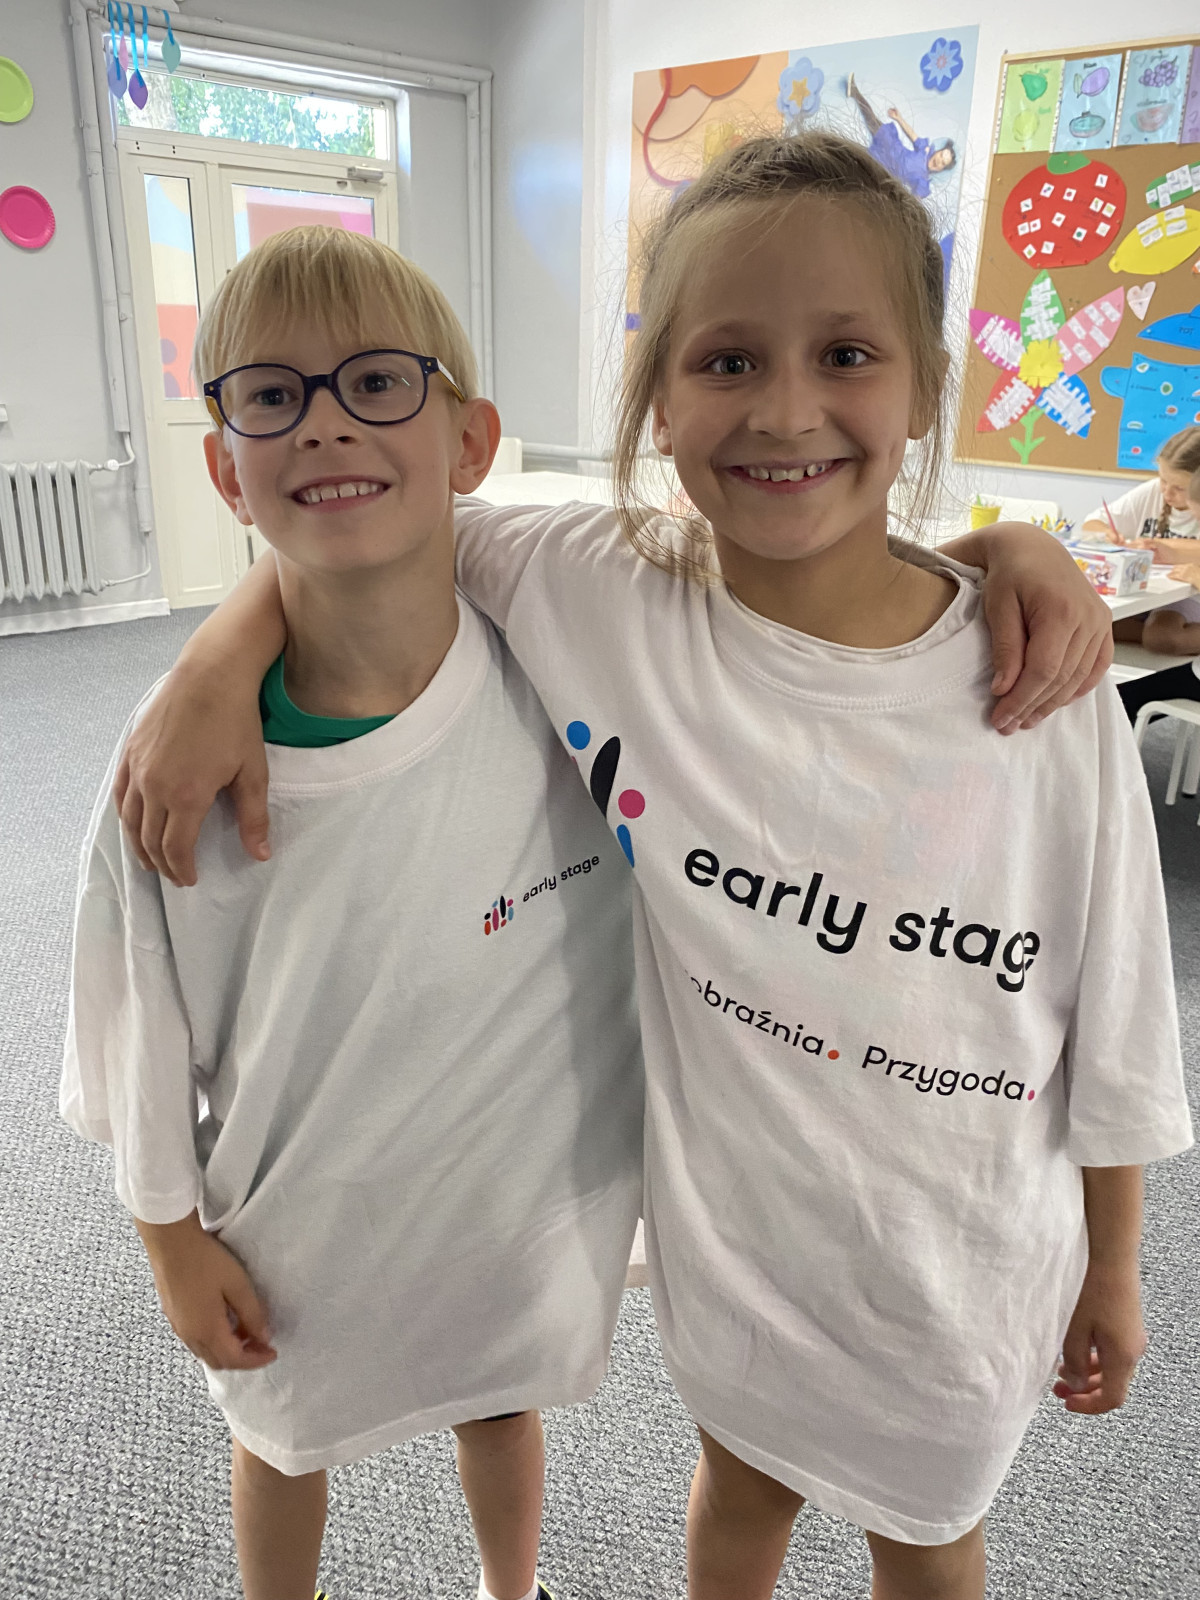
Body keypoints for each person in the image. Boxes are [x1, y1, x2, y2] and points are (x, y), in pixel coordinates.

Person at [110, 136, 1150, 1600]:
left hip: (968, 1266)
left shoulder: (1040, 684)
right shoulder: (598, 589)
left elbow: (1121, 1005)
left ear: (925, 389)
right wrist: (220, 655)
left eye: (847, 354)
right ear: (658, 399)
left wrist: (1117, 1258)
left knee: (929, 1538)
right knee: (741, 1494)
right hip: (745, 1258)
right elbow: (369, 525)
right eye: (726, 361)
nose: (784, 407)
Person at [60, 226, 643, 1600]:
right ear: (226, 468)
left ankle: (513, 1588)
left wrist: (999, 556)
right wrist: (169, 1239)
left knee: (502, 1404)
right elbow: (133, 1025)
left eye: (376, 381)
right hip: (302, 1221)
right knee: (284, 1438)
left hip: (508, 1202)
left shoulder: (566, 656)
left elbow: (794, 589)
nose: (325, 424)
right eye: (272, 395)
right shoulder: (173, 770)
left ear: (468, 441)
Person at [846, 71, 956, 200]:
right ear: (937, 151)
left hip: (886, 168)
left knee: (858, 157)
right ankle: (854, 91)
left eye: (943, 162)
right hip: (892, 147)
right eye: (941, 155)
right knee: (872, 119)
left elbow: (914, 201)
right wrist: (899, 118)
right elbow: (912, 134)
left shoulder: (923, 181)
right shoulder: (924, 150)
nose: (939, 160)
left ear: (941, 169)